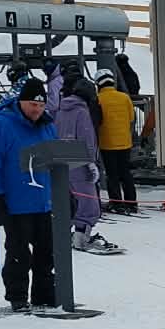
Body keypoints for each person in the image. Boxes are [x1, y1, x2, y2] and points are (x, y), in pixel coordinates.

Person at [0, 74, 60, 313]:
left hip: (44, 202)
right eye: (33, 104)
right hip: (16, 202)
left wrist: (65, 193)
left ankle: (44, 294)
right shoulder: (3, 124)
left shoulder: (48, 126)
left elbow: (58, 160)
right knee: (18, 252)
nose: (37, 109)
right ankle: (17, 296)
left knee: (47, 252)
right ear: (21, 102)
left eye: (41, 105)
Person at [57, 73, 119, 254]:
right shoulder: (81, 112)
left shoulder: (60, 111)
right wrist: (91, 163)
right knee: (89, 204)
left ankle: (65, 234)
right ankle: (81, 238)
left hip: (62, 163)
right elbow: (87, 139)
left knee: (69, 202)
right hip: (80, 165)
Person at [94, 69, 139, 215]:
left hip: (106, 143)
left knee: (112, 174)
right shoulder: (124, 98)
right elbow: (132, 118)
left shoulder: (98, 99)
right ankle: (132, 203)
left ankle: (117, 202)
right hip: (125, 142)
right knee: (126, 173)